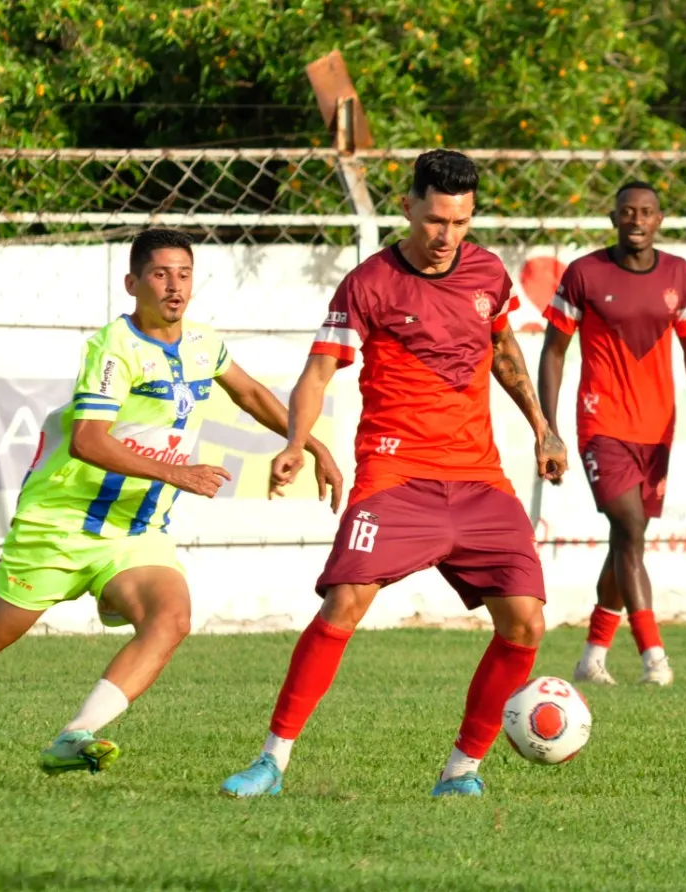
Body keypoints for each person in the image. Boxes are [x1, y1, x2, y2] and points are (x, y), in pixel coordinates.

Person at [0, 228, 342, 778]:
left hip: (135, 529)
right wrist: (175, 471)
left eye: (184, 275)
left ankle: (76, 733)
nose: (174, 287)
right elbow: (88, 440)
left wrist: (309, 444)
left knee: (172, 618)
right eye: (161, 275)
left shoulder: (203, 344)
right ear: (132, 282)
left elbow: (252, 394)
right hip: (61, 521)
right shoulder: (113, 347)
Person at [218, 149, 567, 799]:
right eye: (435, 221)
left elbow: (501, 348)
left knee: (526, 624)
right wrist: (297, 440)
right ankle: (271, 761)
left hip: (479, 480)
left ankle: (462, 771)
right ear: (407, 208)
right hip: (397, 473)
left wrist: (543, 427)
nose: (446, 237)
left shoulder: (487, 274)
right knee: (344, 604)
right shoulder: (369, 284)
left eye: (460, 223)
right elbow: (318, 372)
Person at [538, 182, 686, 688]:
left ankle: (592, 655)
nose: (637, 220)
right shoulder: (585, 273)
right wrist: (549, 428)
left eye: (646, 212)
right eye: (628, 212)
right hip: (602, 423)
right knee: (629, 528)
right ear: (613, 218)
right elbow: (554, 352)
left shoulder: (678, 275)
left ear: (659, 219)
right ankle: (653, 656)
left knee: (627, 540)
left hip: (657, 429)